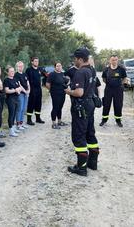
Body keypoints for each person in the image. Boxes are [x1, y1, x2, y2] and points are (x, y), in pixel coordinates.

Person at [64, 48, 99, 176]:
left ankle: (81, 167)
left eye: (75, 58)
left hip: (81, 107)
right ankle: (92, 162)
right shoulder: (92, 71)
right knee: (90, 133)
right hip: (90, 105)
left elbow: (79, 92)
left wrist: (68, 92)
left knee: (79, 136)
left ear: (80, 59)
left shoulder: (80, 72)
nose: (74, 61)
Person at [99, 54, 127, 127]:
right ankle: (104, 120)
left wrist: (119, 84)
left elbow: (124, 79)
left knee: (118, 105)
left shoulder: (121, 69)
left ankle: (118, 121)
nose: (114, 61)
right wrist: (110, 84)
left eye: (115, 60)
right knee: (106, 105)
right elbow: (104, 79)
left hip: (118, 90)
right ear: (110, 60)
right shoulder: (106, 69)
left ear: (117, 60)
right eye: (112, 60)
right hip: (108, 89)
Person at [46, 62, 68, 129]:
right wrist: (52, 90)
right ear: (55, 67)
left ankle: (59, 121)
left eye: (60, 66)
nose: (59, 67)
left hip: (62, 93)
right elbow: (47, 84)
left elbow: (64, 82)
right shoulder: (52, 74)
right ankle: (53, 123)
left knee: (60, 107)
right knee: (55, 107)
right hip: (55, 94)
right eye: (57, 66)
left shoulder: (62, 74)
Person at [4, 66, 22, 137]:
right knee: (11, 114)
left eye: (13, 71)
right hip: (10, 99)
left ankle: (13, 128)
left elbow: (20, 87)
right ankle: (11, 130)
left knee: (14, 113)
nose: (12, 72)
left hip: (16, 98)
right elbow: (7, 90)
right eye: (11, 71)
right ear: (8, 72)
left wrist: (18, 89)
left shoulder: (15, 79)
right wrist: (15, 90)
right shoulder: (6, 80)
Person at [25, 57, 45, 125]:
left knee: (38, 104)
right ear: (32, 62)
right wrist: (28, 89)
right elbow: (26, 80)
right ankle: (29, 119)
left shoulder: (40, 69)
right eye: (35, 61)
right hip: (32, 89)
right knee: (31, 104)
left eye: (37, 61)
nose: (37, 62)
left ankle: (38, 118)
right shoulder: (29, 70)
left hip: (39, 89)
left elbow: (45, 76)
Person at [14, 61, 30, 130]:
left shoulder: (25, 74)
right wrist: (25, 91)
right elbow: (19, 85)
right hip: (20, 94)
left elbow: (28, 83)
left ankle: (21, 123)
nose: (21, 67)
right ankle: (18, 124)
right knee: (19, 109)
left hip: (26, 93)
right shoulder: (16, 75)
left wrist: (29, 90)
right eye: (19, 66)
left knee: (24, 109)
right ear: (17, 67)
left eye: (22, 66)